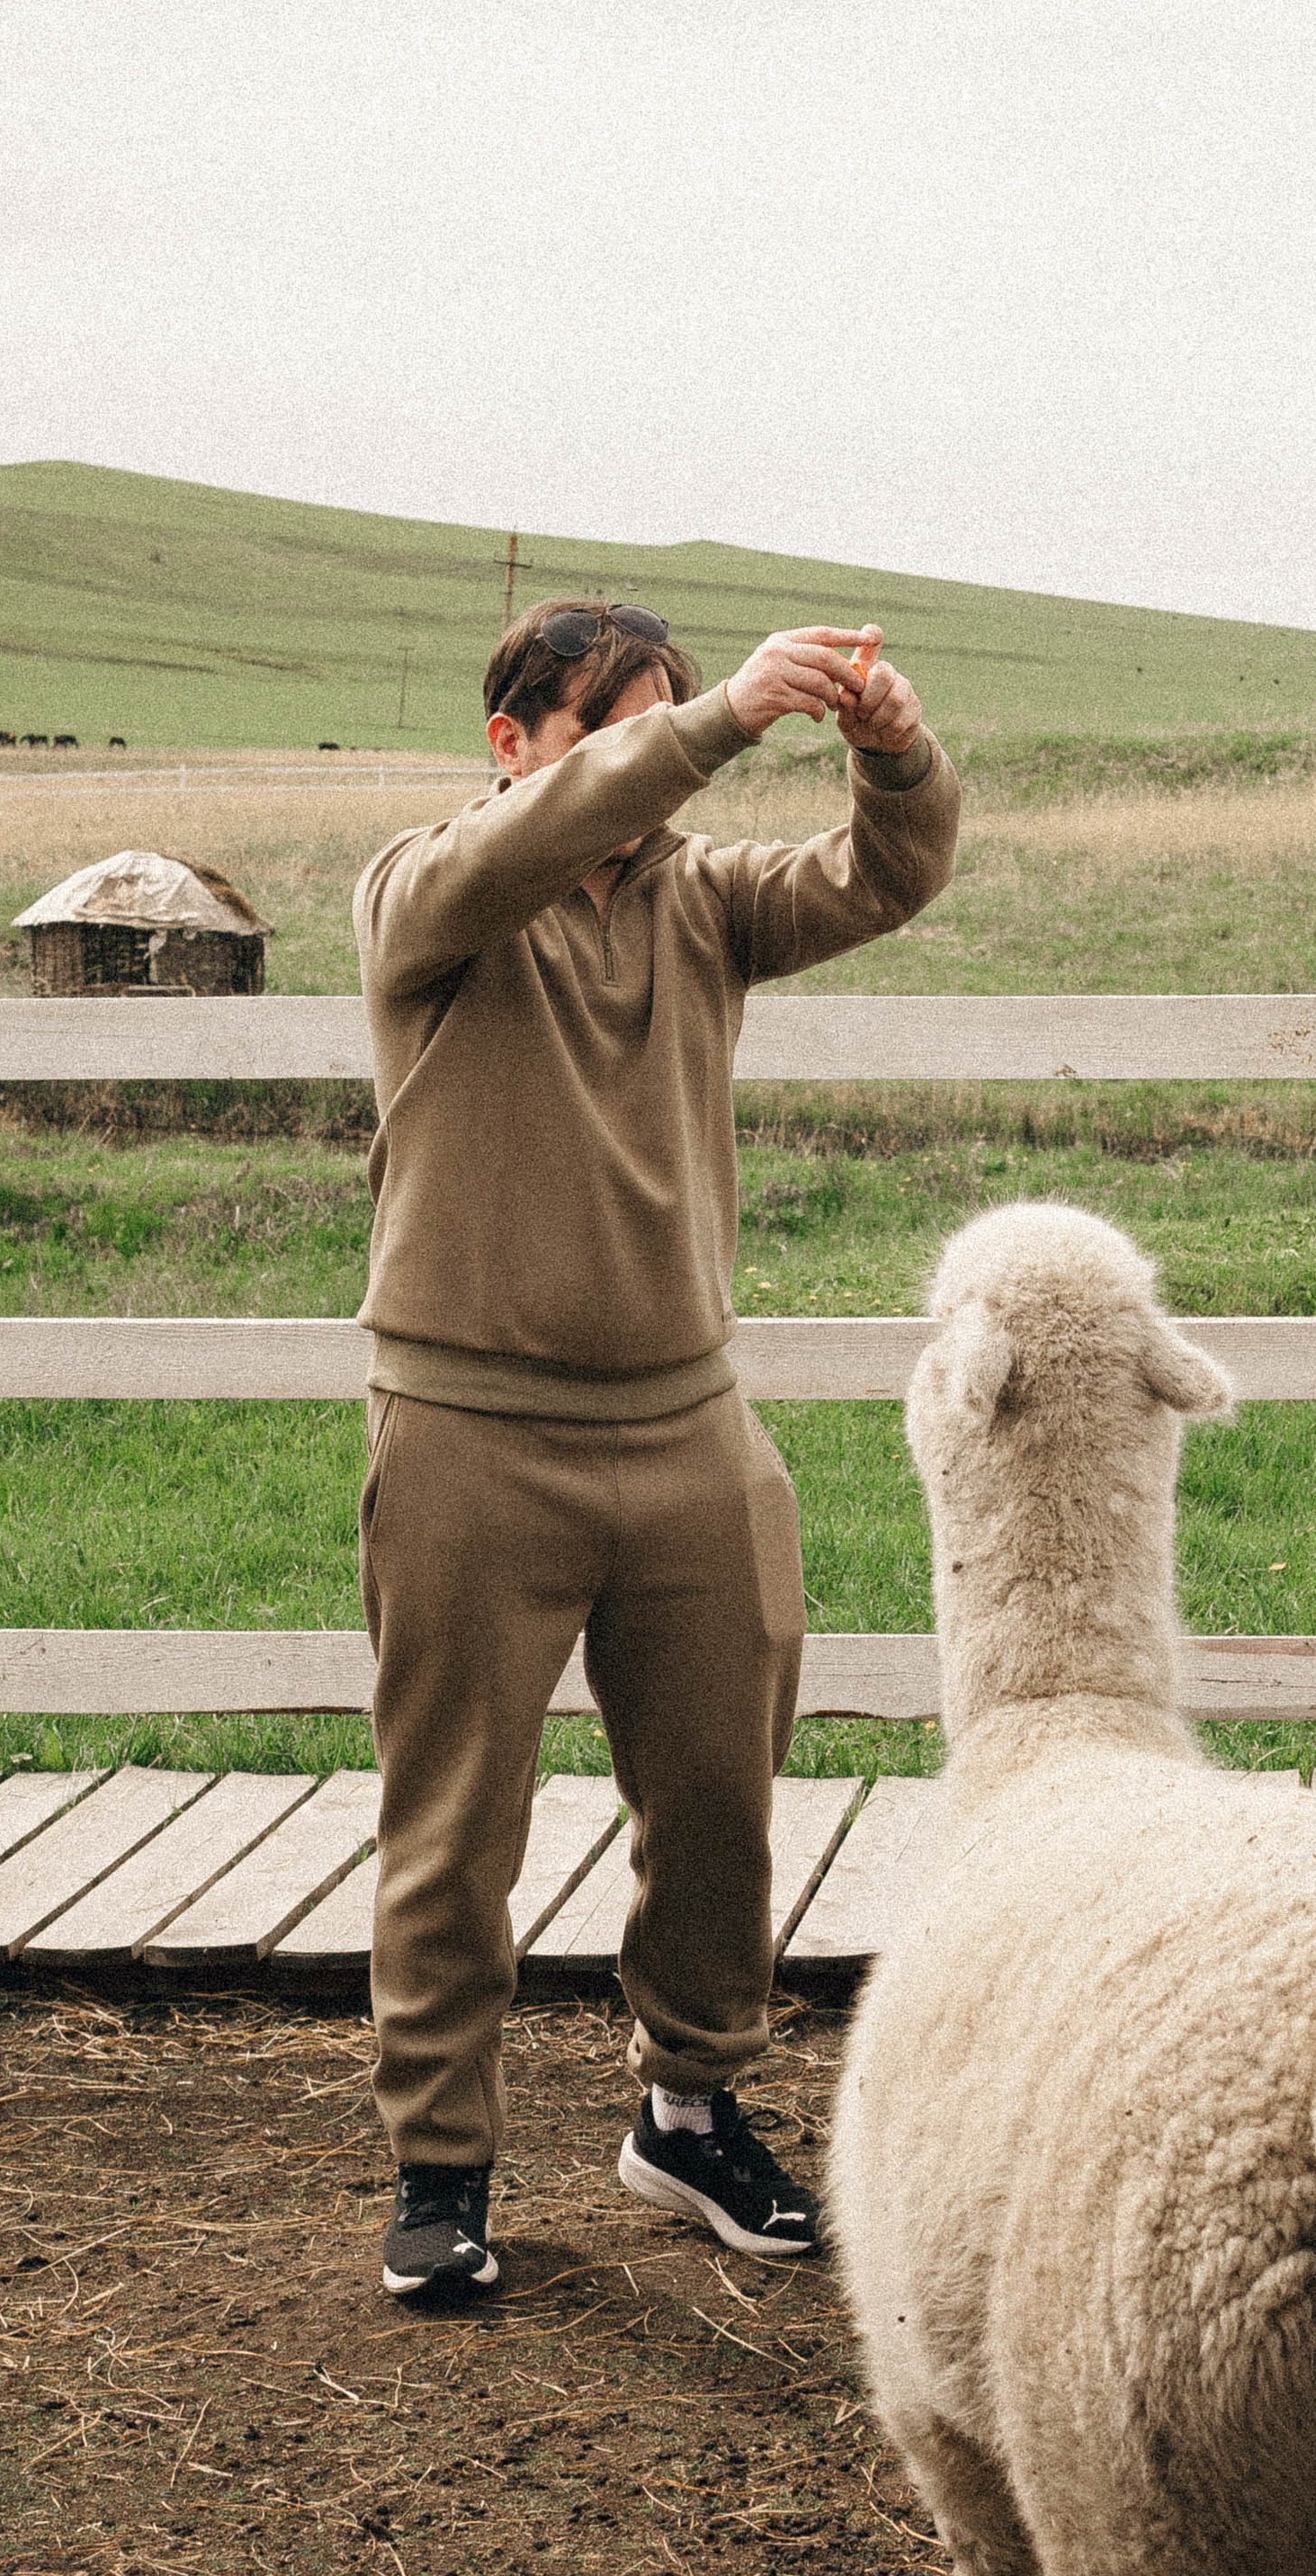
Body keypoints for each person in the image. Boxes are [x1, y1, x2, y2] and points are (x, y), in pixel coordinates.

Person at [353, 594, 957, 2297]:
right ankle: (443, 2166)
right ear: (514, 744)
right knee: (454, 1821)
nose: (658, 769)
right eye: (615, 731)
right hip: (469, 1433)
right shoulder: (428, 894)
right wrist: (708, 723)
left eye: (674, 727)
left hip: (689, 1432)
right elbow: (516, 859)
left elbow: (892, 873)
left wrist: (888, 745)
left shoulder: (704, 904)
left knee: (718, 1803)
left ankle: (686, 2115)